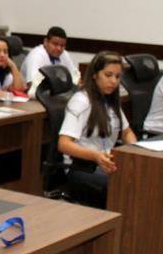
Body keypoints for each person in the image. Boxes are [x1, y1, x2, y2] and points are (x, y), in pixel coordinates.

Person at [57, 51, 137, 208]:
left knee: (137, 179)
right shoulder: (81, 101)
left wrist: (135, 153)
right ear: (95, 74)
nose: (114, 81)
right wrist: (95, 156)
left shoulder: (111, 101)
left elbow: (126, 132)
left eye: (117, 76)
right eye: (108, 75)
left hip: (105, 164)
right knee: (124, 186)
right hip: (81, 168)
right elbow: (63, 144)